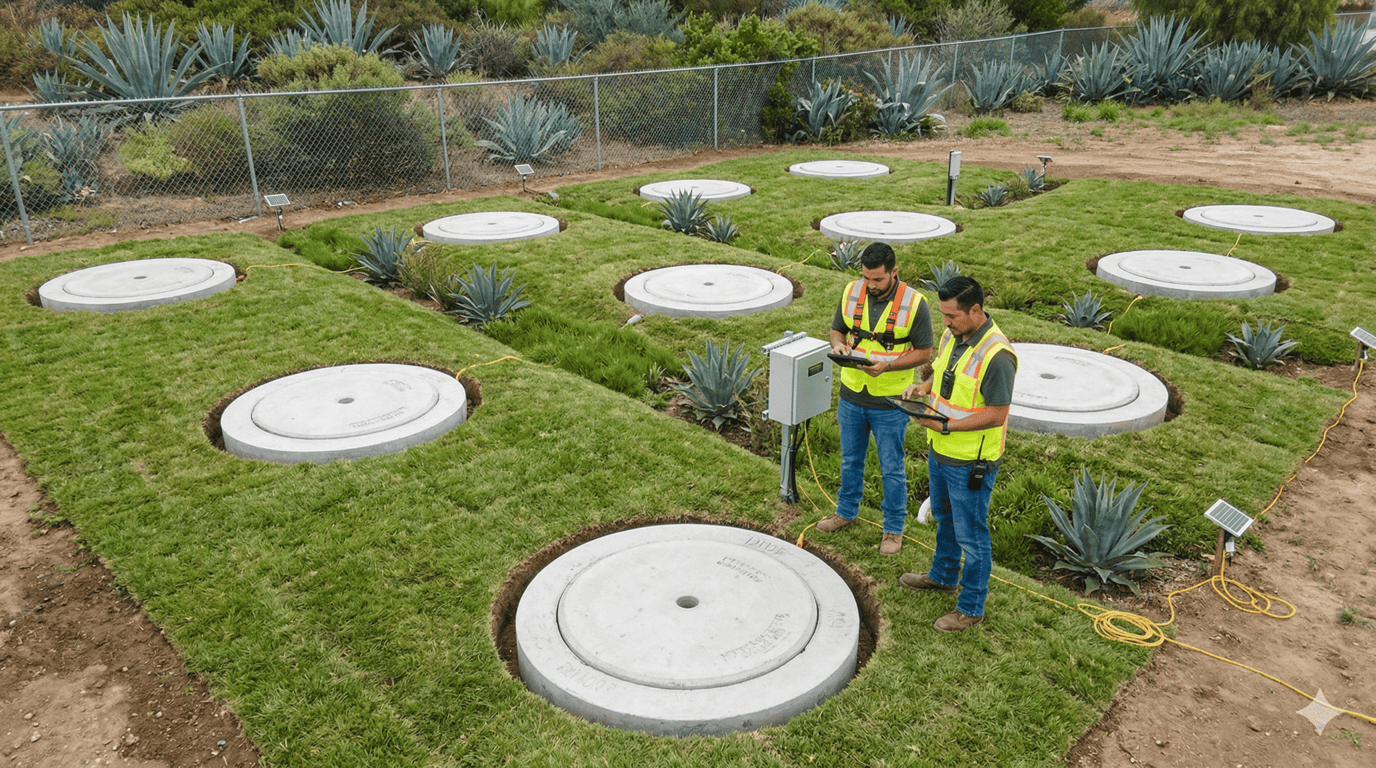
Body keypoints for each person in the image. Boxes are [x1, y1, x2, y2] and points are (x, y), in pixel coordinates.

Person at [900, 275, 1017, 632]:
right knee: (945, 519)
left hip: (970, 461)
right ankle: (943, 575)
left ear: (976, 310)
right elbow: (944, 375)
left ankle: (970, 608)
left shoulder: (998, 356)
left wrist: (947, 427)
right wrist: (924, 386)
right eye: (944, 315)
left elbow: (996, 413)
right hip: (940, 450)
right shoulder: (955, 335)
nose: (946, 324)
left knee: (972, 535)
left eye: (952, 316)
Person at [819, 242, 933, 555]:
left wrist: (889, 366)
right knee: (850, 459)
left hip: (890, 401)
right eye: (867, 278)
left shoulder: (915, 303)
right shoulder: (852, 291)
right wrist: (839, 345)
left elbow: (925, 352)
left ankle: (893, 530)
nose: (871, 285)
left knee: (892, 467)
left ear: (894, 272)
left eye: (878, 280)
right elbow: (836, 330)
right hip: (852, 394)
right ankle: (845, 512)